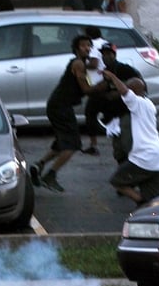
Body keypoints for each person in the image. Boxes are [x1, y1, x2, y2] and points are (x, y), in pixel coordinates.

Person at [29, 35, 107, 193]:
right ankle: (51, 175)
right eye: (84, 45)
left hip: (60, 105)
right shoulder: (78, 64)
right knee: (73, 144)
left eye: (89, 45)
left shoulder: (81, 64)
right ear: (77, 48)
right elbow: (86, 89)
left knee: (62, 142)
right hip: (61, 106)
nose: (87, 48)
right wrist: (102, 86)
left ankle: (39, 165)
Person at [101, 70, 159, 206]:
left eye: (130, 89)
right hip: (157, 156)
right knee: (157, 200)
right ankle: (151, 207)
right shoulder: (149, 104)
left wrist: (113, 77)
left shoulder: (138, 104)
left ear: (135, 91)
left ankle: (140, 202)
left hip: (144, 157)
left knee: (117, 181)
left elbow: (125, 92)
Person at [90, 42, 143, 164]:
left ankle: (132, 171)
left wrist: (119, 93)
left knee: (128, 145)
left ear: (114, 55)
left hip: (126, 113)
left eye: (109, 54)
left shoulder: (124, 69)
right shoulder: (102, 72)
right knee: (118, 149)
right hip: (112, 116)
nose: (106, 56)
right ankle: (124, 170)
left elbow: (140, 86)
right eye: (103, 54)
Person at [82, 26, 109, 155]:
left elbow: (93, 64)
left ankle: (93, 145)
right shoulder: (105, 43)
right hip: (107, 82)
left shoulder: (93, 45)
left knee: (90, 114)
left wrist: (80, 65)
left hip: (97, 85)